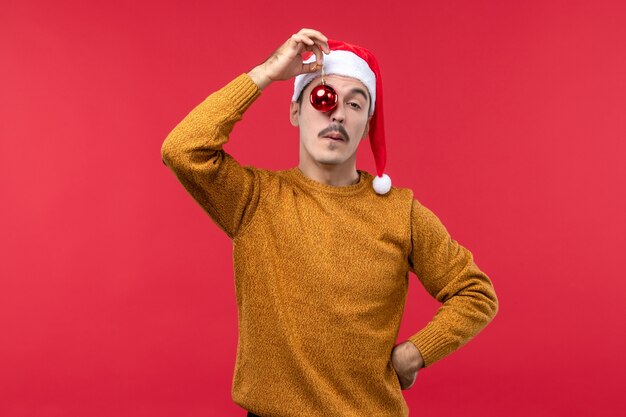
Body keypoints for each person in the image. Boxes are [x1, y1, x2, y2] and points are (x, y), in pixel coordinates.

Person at [161, 28, 498, 417]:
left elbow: (476, 293)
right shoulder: (254, 199)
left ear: (366, 125)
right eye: (324, 98)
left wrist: (417, 352)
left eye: (356, 105)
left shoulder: (400, 212)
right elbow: (182, 149)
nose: (338, 113)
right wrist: (268, 72)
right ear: (295, 111)